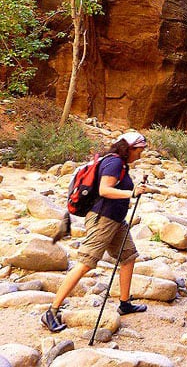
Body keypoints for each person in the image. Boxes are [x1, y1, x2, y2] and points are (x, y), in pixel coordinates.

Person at [41, 131, 152, 332]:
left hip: (117, 221)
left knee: (129, 257)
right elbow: (104, 190)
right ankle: (51, 311)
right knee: (86, 263)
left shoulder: (121, 164)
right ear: (130, 148)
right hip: (103, 220)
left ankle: (124, 303)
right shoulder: (115, 162)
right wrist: (132, 192)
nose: (141, 154)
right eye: (140, 150)